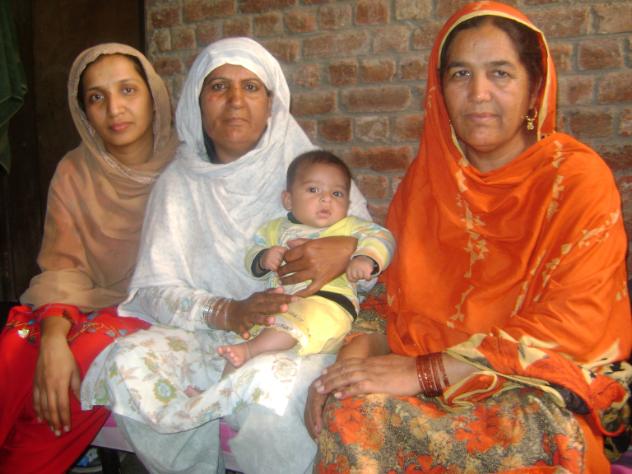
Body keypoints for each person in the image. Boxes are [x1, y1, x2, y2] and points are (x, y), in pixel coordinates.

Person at [305, 2, 632, 473]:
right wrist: (342, 371)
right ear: (440, 91)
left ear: (534, 88)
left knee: (526, 431)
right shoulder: (426, 183)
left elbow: (573, 321)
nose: (478, 93)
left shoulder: (575, 180)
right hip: (421, 372)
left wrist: (425, 372)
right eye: (461, 74)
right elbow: (390, 292)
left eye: (500, 73)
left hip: (533, 384)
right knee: (352, 411)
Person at [80, 37, 374, 473]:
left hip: (299, 335)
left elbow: (372, 255)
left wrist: (345, 249)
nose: (236, 100)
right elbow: (155, 289)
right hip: (210, 333)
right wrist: (226, 311)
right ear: (197, 103)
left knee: (269, 398)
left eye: (251, 87)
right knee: (128, 364)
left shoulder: (313, 172)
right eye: (219, 87)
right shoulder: (178, 184)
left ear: (271, 103)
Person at [0, 43, 177, 473]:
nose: (114, 109)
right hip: (82, 301)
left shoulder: (186, 167)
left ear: (154, 95)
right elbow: (62, 266)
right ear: (83, 112)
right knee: (13, 349)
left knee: (79, 371)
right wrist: (53, 339)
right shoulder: (74, 170)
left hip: (153, 309)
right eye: (97, 97)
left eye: (128, 90)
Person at [218, 150, 395, 369]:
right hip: (279, 305)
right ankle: (225, 382)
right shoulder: (274, 229)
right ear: (288, 199)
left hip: (327, 305)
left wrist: (365, 257)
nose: (326, 198)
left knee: (277, 332)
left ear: (348, 204)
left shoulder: (349, 226)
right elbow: (252, 253)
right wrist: (263, 258)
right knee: (243, 341)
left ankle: (249, 351)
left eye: (337, 193)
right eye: (313, 190)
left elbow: (382, 237)